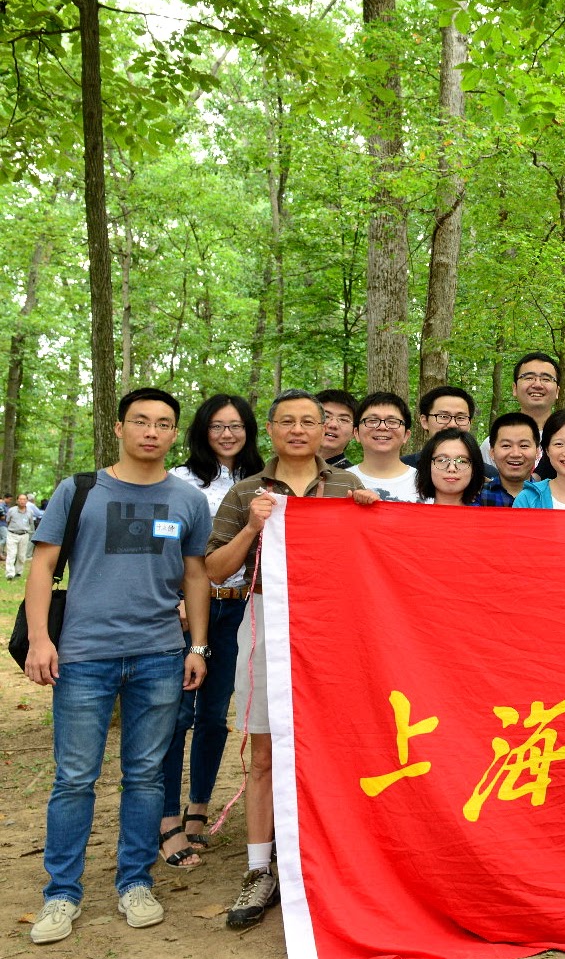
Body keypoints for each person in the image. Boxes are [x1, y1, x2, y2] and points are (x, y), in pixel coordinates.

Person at [23, 388, 214, 944]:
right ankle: (60, 894)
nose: (151, 431)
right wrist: (40, 639)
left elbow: (196, 575)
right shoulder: (79, 490)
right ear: (118, 427)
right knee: (75, 778)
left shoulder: (187, 499)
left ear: (175, 433)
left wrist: (197, 647)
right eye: (140, 421)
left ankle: (135, 881)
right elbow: (43, 565)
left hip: (159, 655)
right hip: (84, 655)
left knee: (146, 776)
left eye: (163, 423)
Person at [205, 389, 377, 931]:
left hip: (335, 631)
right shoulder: (248, 490)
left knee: (340, 747)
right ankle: (261, 868)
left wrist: (371, 516)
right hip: (266, 624)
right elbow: (213, 569)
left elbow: (374, 561)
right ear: (272, 431)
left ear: (328, 430)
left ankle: (338, 863)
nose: (298, 430)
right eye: (287, 422)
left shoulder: (347, 485)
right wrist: (256, 526)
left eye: (310, 421)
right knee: (264, 751)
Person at [159, 394, 264, 870]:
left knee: (214, 714)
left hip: (240, 609)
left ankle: (198, 809)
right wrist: (176, 597)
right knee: (176, 714)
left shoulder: (261, 479)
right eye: (217, 426)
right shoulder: (178, 481)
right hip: (185, 611)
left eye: (236, 426)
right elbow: (167, 548)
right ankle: (165, 819)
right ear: (202, 431)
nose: (227, 434)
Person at [351, 392, 420, 502]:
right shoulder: (339, 481)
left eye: (392, 421)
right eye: (372, 421)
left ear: (406, 436)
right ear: (356, 433)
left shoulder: (426, 483)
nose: (382, 427)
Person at [478, 412, 540, 507]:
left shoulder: (549, 498)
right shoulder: (476, 497)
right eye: (506, 445)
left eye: (524, 445)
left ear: (537, 452)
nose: (515, 454)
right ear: (492, 452)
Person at [405, 385, 476, 466]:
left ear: (470, 423)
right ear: (425, 422)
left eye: (460, 418)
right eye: (443, 417)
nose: (452, 424)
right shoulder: (401, 470)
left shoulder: (487, 474)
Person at [416, 428, 485, 505]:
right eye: (442, 460)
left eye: (462, 461)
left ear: (474, 469)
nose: (451, 468)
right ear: (428, 466)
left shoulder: (487, 515)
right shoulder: (411, 514)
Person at [513, 351, 561, 435]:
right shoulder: (494, 443)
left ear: (557, 391)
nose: (537, 385)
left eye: (546, 379)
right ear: (515, 388)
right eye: (529, 378)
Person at [315, 389, 358, 469]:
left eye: (344, 419)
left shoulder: (353, 478)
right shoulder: (287, 466)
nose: (333, 425)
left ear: (354, 433)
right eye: (326, 416)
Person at [6, 491, 38, 578]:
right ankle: (10, 573)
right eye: (20, 499)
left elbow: (30, 523)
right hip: (12, 534)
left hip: (24, 535)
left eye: (24, 499)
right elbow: (7, 521)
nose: (22, 501)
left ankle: (18, 572)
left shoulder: (30, 512)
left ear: (27, 501)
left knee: (21, 555)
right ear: (17, 501)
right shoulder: (11, 510)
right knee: (11, 554)